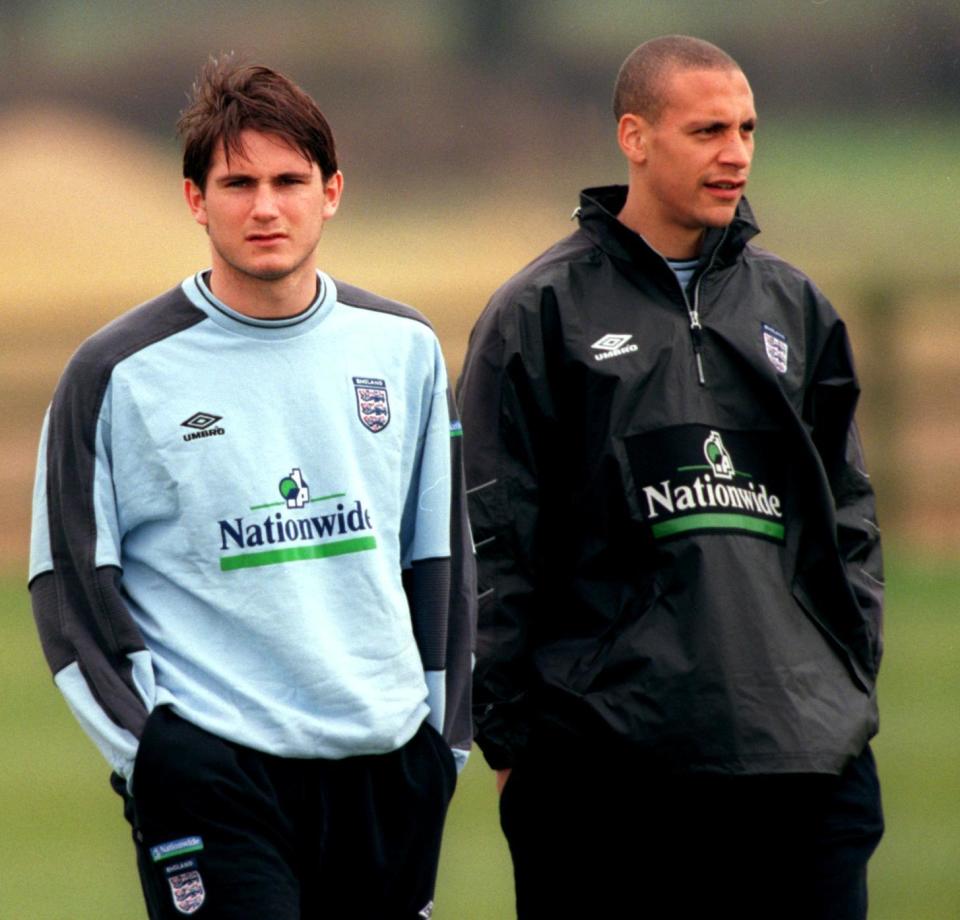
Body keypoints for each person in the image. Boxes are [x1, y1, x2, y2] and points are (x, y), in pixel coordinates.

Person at [29, 56, 475, 920]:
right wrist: (155, 753)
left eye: (288, 180)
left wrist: (437, 744)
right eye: (237, 183)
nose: (265, 207)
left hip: (386, 771)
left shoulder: (405, 349)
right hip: (215, 778)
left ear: (332, 190)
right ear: (195, 198)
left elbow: (443, 563)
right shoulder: (116, 374)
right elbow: (68, 588)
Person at [458, 35, 883, 919]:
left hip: (803, 764)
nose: (736, 154)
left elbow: (847, 516)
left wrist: (846, 679)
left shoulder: (794, 307)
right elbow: (493, 538)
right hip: (606, 775)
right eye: (707, 131)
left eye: (747, 129)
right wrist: (509, 740)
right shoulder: (540, 313)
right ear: (635, 136)